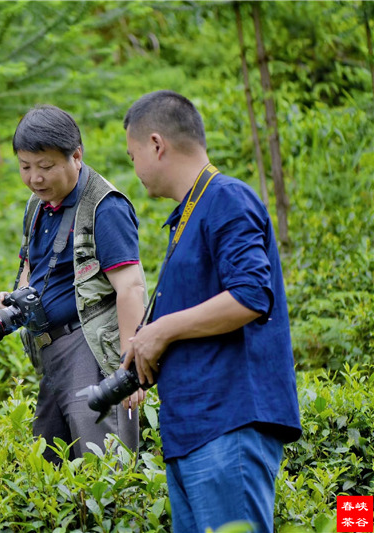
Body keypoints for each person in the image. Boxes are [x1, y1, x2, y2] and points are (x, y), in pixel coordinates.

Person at [121, 90, 302, 532]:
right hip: (192, 429)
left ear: (156, 144)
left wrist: (162, 330)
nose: (134, 167)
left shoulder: (226, 199)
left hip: (228, 423)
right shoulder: (189, 214)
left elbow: (251, 295)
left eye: (132, 155)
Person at [2, 104, 148, 465]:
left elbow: (131, 288)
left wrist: (129, 369)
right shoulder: (37, 205)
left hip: (91, 348)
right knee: (50, 462)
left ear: (76, 157)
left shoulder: (105, 206)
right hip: (49, 350)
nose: (35, 178)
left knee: (102, 464)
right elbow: (31, 266)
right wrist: (16, 302)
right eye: (25, 167)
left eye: (45, 166)